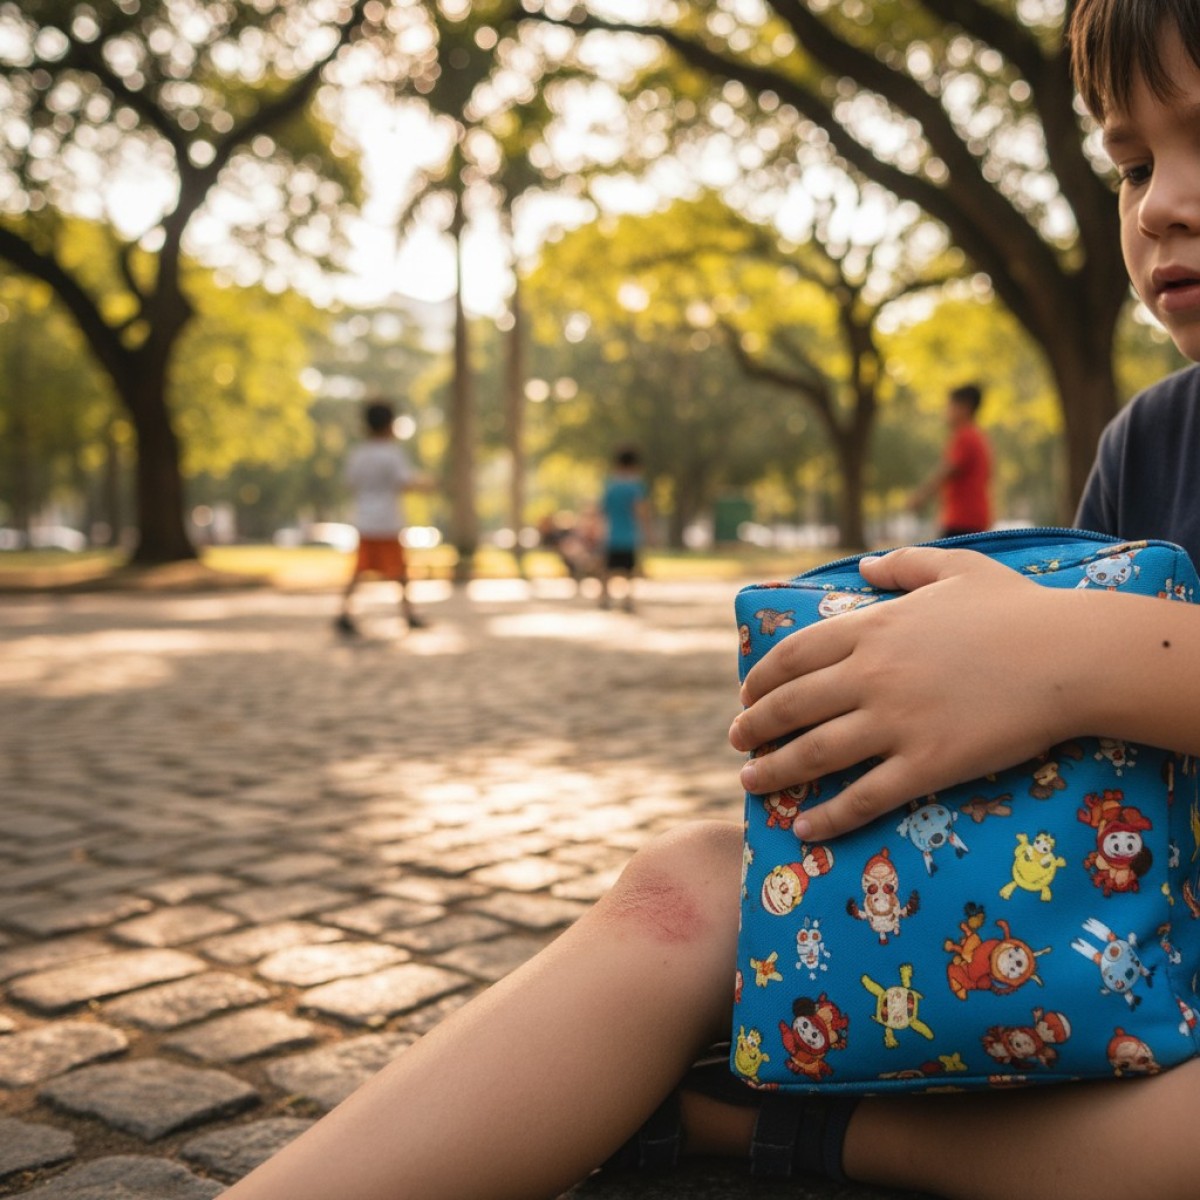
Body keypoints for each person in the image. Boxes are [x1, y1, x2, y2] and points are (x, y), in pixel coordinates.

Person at [223, 4, 1200, 1197]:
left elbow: (1068, 671)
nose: (1158, 205)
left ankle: (788, 1130)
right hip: (1141, 927)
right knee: (685, 891)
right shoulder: (1150, 439)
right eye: (1132, 164)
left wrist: (1065, 657)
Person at [335, 398, 434, 637]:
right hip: (388, 521)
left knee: (359, 571)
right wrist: (427, 484)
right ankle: (408, 614)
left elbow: (350, 482)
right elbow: (404, 482)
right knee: (399, 572)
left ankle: (344, 613)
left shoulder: (359, 454)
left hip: (366, 520)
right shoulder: (391, 453)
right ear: (390, 425)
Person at [908, 382, 992, 537]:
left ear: (964, 408)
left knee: (944, 553)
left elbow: (946, 471)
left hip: (962, 519)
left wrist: (920, 497)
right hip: (975, 517)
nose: (946, 411)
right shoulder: (978, 436)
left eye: (950, 406)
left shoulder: (965, 436)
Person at [598, 445, 651, 611]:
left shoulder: (610, 485)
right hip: (629, 534)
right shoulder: (635, 486)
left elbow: (603, 509)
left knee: (608, 568)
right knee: (630, 570)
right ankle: (628, 599)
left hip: (611, 533)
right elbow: (640, 510)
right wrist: (648, 531)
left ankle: (605, 597)